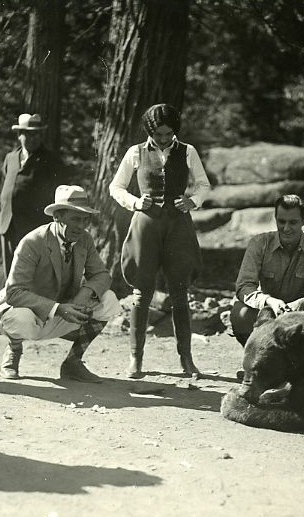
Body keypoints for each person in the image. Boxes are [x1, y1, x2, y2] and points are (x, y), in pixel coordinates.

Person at [109, 103, 211, 380]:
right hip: (147, 225)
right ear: (150, 131)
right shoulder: (136, 152)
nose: (164, 140)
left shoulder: (187, 151)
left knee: (179, 292)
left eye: (168, 134)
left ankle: (186, 359)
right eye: (159, 135)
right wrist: (134, 202)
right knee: (142, 292)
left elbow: (204, 185)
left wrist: (193, 201)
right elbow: (115, 187)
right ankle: (136, 359)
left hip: (178, 225)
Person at [0, 185, 121, 382]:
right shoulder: (33, 242)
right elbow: (14, 292)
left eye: (85, 219)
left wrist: (85, 293)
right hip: (30, 312)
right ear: (57, 216)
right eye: (75, 219)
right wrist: (57, 309)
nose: (81, 226)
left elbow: (102, 275)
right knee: (19, 319)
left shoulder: (84, 239)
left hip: (63, 310)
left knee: (108, 299)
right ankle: (13, 351)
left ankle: (73, 363)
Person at [230, 194, 304, 347]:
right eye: (281, 221)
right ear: (275, 218)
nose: (286, 228)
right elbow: (244, 287)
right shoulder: (259, 243)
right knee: (239, 313)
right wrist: (269, 302)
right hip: (267, 313)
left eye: (293, 222)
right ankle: (258, 354)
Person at [0, 113, 70, 281]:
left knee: (32, 272)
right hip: (8, 225)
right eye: (29, 134)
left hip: (34, 226)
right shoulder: (11, 158)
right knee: (10, 272)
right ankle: (10, 305)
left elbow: (59, 194)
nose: (33, 138)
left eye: (37, 134)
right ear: (19, 135)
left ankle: (32, 306)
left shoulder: (50, 160)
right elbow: (5, 188)